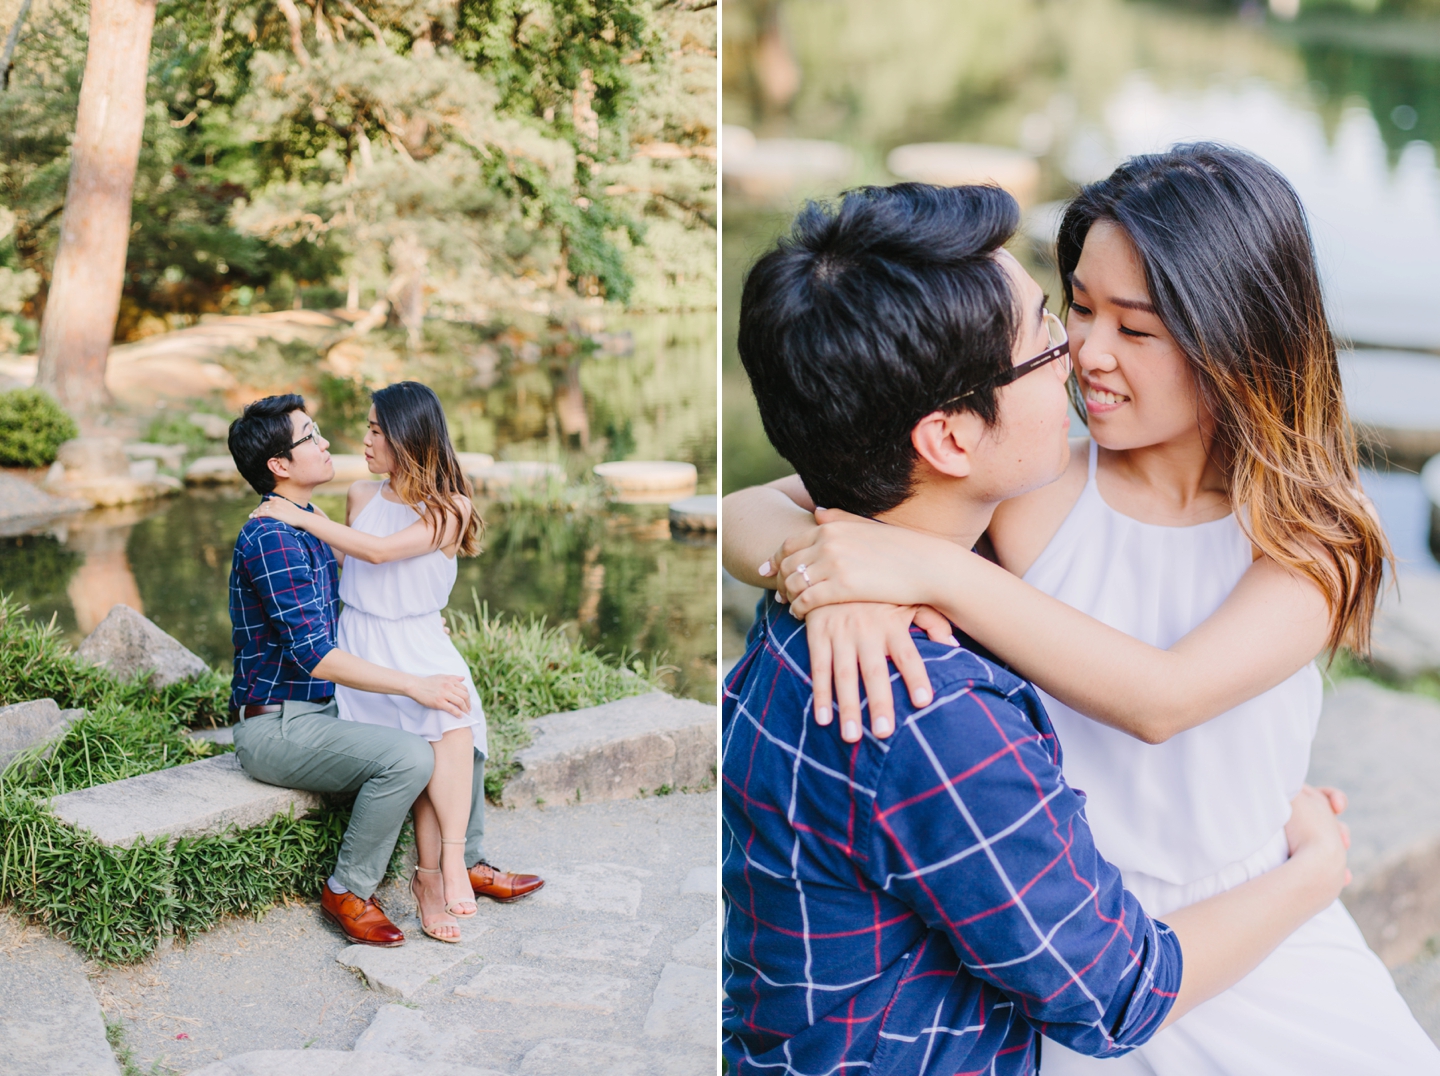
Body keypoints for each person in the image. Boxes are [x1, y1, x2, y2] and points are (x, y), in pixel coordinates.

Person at [725, 147, 1440, 1071]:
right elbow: (751, 508)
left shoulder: (1311, 535)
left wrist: (921, 572)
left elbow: (1162, 698)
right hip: (1063, 937)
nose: (1085, 355)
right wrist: (833, 586)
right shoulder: (1035, 478)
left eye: (1135, 331)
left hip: (1253, 932)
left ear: (1237, 340)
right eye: (1078, 308)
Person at [227, 393, 542, 949]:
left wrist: (420, 627)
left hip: (345, 676)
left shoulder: (305, 521)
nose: (333, 442)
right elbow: (316, 650)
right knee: (415, 745)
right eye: (311, 437)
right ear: (279, 465)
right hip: (283, 713)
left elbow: (371, 563)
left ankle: (459, 865)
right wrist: (408, 677)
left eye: (370, 430)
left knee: (454, 722)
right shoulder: (276, 532)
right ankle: (359, 887)